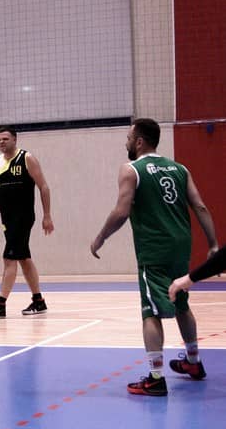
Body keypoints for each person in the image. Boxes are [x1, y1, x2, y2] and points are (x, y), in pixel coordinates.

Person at [91, 118, 218, 396]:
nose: (126, 143)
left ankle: (156, 378)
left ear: (139, 142)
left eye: (128, 138)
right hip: (181, 246)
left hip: (154, 248)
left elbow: (121, 211)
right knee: (181, 302)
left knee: (150, 310)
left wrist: (100, 237)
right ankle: (194, 362)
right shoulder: (179, 168)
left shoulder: (131, 169)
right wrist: (213, 244)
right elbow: (199, 206)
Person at [0, 128, 54, 317]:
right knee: (23, 258)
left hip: (24, 216)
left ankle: (1, 304)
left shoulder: (27, 158)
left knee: (9, 258)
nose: (1, 142)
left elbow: (44, 187)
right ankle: (38, 301)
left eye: (5, 139)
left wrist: (47, 215)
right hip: (7, 218)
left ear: (15, 139)